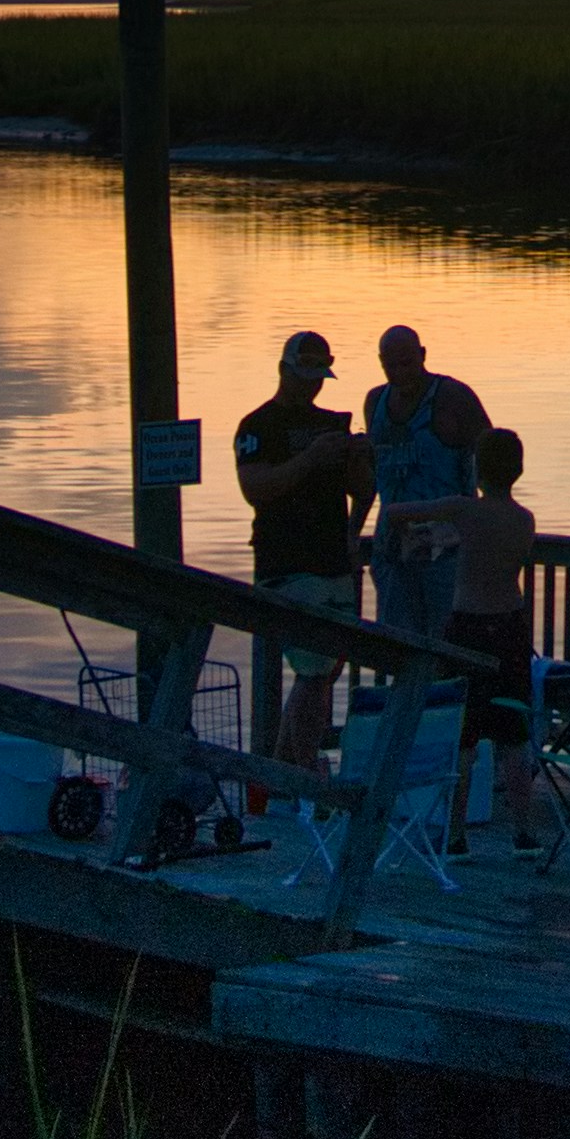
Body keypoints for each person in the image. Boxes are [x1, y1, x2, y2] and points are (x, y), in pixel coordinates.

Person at [384, 422, 543, 840]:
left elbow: (394, 512)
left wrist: (412, 538)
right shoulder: (524, 520)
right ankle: (524, 833)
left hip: (467, 628)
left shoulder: (464, 509)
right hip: (510, 627)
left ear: (476, 468)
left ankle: (454, 835)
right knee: (513, 736)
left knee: (463, 736)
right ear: (519, 471)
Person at [233, 330, 369, 765]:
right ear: (284, 370)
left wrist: (361, 459)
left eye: (319, 376)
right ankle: (306, 775)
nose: (312, 384)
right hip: (286, 563)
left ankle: (280, 776)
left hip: (333, 559)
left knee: (322, 674)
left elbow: (361, 490)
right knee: (313, 674)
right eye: (305, 374)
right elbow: (255, 489)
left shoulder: (332, 423)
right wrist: (309, 458)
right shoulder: (257, 425)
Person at [355, 325, 489, 642]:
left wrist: (489, 527)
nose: (400, 373)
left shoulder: (453, 397)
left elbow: (493, 461)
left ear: (423, 355)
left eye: (407, 363)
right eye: (391, 365)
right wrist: (352, 531)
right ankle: (407, 694)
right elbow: (372, 478)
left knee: (449, 647)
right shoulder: (375, 402)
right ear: (380, 362)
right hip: (391, 550)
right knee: (398, 647)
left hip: (447, 551)